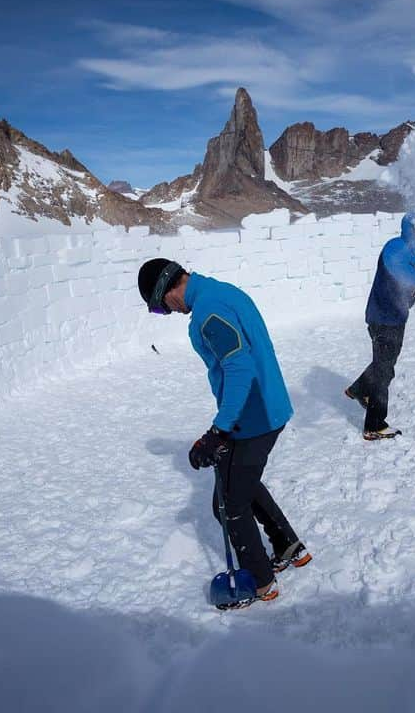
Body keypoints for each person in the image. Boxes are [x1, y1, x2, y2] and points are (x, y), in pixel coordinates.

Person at [137, 258, 311, 606]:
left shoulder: (207, 312)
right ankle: (289, 546)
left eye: (161, 308)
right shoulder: (222, 291)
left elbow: (239, 367)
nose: (169, 313)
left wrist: (219, 430)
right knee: (241, 481)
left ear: (167, 290)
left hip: (252, 416)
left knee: (228, 504)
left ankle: (261, 582)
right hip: (268, 406)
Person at [345, 211, 415, 440]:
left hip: (398, 317)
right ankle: (374, 425)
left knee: (386, 362)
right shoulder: (395, 248)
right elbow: (403, 274)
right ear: (414, 229)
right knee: (384, 370)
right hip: (382, 315)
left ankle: (359, 389)